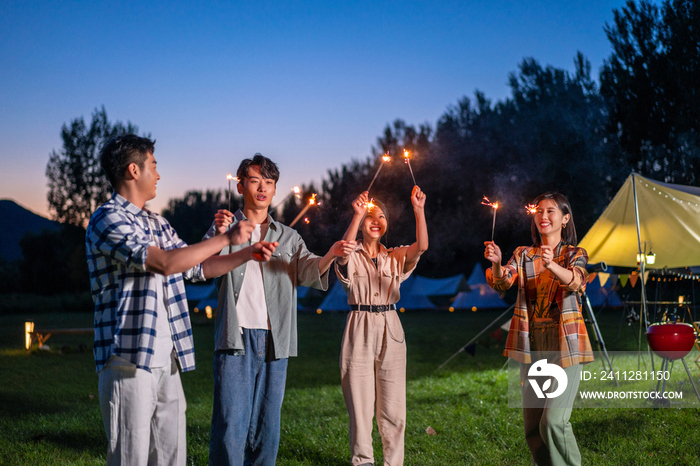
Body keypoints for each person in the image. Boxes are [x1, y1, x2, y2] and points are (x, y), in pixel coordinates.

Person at [86, 135, 278, 466]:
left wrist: (246, 253)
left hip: (167, 356)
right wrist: (226, 237)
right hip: (128, 357)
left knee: (172, 456)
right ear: (134, 170)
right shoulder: (107, 219)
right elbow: (164, 262)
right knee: (130, 456)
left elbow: (196, 269)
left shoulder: (157, 222)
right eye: (154, 166)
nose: (158, 174)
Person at [204, 153, 355, 466]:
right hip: (236, 337)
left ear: (274, 190)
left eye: (269, 182)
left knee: (268, 426)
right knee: (231, 422)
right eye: (255, 180)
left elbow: (307, 270)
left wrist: (329, 254)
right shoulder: (225, 227)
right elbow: (203, 267)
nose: (262, 188)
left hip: (276, 339)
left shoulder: (289, 236)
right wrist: (222, 237)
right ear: (240, 186)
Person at [484, 192, 593, 466]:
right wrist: (497, 264)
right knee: (533, 429)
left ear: (565, 219)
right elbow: (502, 282)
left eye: (551, 211)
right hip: (532, 346)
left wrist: (552, 265)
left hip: (565, 344)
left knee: (553, 421)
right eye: (539, 211)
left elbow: (577, 282)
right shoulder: (523, 254)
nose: (543, 216)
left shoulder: (574, 254)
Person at [335, 186, 428, 466]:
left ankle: (393, 463)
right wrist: (356, 215)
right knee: (361, 406)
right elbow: (342, 252)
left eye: (381, 216)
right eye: (369, 217)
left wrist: (418, 210)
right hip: (359, 327)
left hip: (391, 327)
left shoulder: (395, 256)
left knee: (393, 407)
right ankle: (363, 461)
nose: (376, 220)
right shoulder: (351, 253)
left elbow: (421, 247)